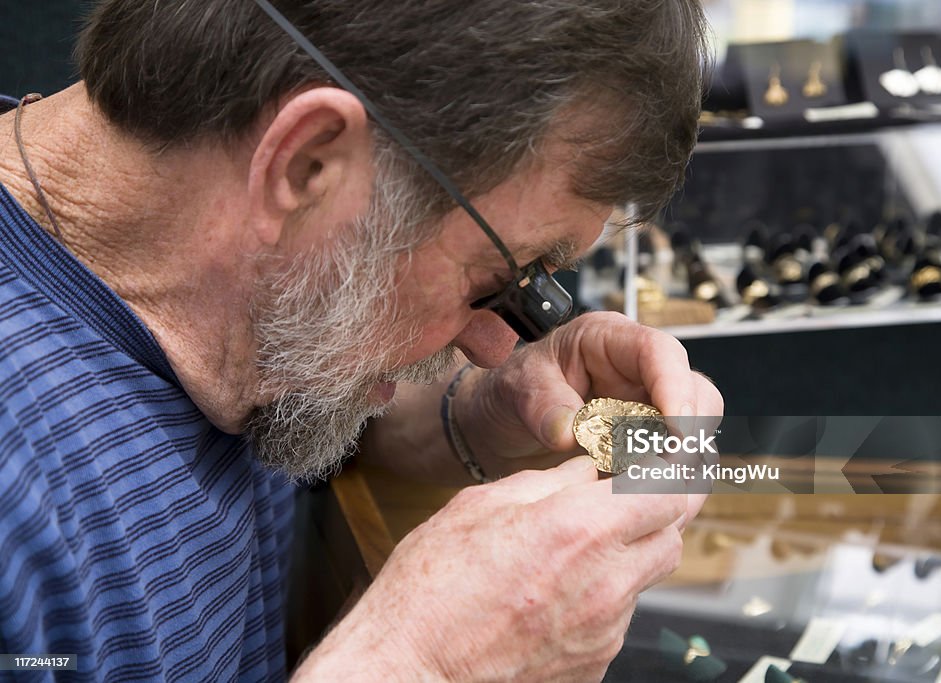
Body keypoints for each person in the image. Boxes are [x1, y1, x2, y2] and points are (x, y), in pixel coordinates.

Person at [0, 0, 721, 680]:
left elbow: (256, 420)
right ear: (307, 163)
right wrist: (418, 660)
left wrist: (470, 417)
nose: (498, 346)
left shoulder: (225, 306)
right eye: (497, 279)